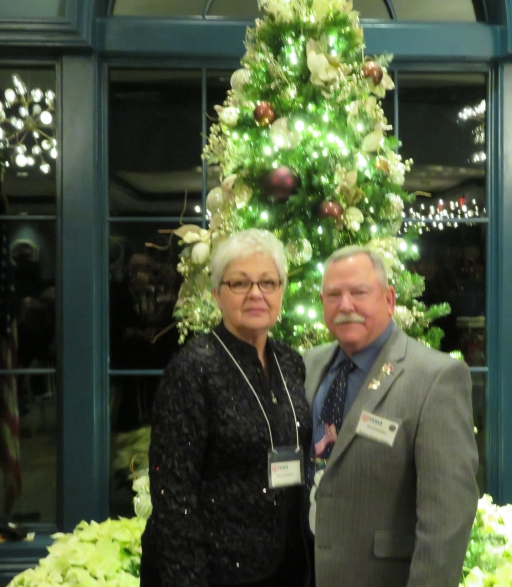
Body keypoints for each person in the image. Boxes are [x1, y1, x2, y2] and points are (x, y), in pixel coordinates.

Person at [140, 229, 312, 587]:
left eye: (268, 282)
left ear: (281, 291)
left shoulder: (290, 361)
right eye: (240, 283)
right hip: (217, 569)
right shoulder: (193, 369)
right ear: (218, 294)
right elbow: (174, 494)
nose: (256, 294)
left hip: (287, 563)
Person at [304, 246, 478, 587]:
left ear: (389, 299)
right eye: (334, 295)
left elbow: (447, 520)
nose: (346, 305)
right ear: (322, 302)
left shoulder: (436, 378)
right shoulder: (310, 365)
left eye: (359, 292)